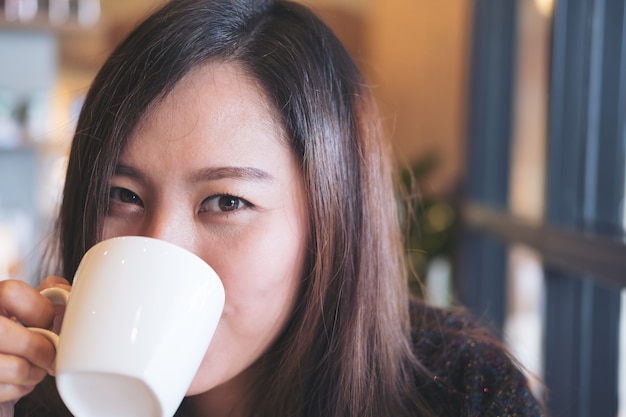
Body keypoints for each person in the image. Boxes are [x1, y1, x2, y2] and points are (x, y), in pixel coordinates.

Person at [0, 0, 546, 416]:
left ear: (328, 223)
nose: (157, 244)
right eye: (124, 195)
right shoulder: (30, 389)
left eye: (226, 201)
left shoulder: (458, 390)